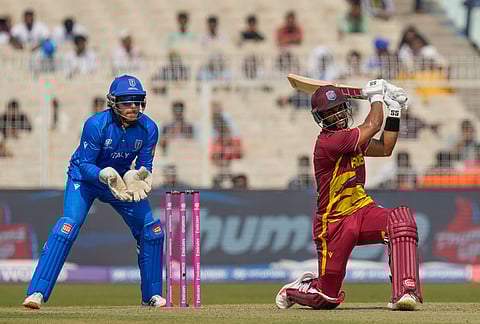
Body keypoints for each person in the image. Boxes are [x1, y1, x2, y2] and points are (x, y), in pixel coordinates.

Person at [275, 79, 423, 310]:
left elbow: (386, 148)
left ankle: (405, 292)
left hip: (362, 210)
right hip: (333, 222)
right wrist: (376, 97)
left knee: (401, 220)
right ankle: (299, 288)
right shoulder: (329, 142)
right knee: (326, 298)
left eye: (338, 109)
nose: (337, 115)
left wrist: (394, 108)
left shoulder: (350, 138)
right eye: (329, 112)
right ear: (321, 118)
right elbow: (373, 124)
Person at [23, 75, 165, 309]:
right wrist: (103, 175)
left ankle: (151, 296)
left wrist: (138, 176)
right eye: (127, 102)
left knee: (152, 230)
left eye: (137, 101)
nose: (133, 108)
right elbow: (85, 164)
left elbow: (145, 165)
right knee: (67, 227)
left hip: (118, 182)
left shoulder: (149, 128)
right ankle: (36, 293)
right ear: (114, 102)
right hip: (85, 179)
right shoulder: (96, 125)